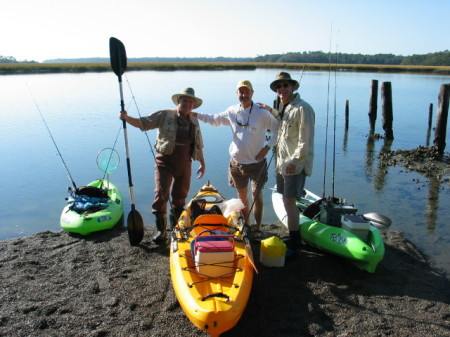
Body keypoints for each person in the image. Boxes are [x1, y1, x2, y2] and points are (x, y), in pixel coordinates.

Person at [119, 87, 206, 243]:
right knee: (161, 193)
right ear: (179, 101)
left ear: (193, 104)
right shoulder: (164, 115)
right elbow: (143, 123)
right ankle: (161, 231)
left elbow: (198, 144)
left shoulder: (194, 120)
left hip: (185, 163)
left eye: (190, 101)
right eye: (184, 100)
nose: (187, 103)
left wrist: (202, 162)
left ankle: (175, 230)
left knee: (180, 197)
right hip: (164, 162)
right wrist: (127, 118)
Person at [194, 80, 279, 232]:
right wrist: (196, 114)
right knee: (242, 197)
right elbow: (214, 120)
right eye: (241, 92)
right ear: (237, 94)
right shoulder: (232, 111)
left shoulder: (262, 113)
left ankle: (257, 228)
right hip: (236, 163)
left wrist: (266, 148)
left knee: (256, 195)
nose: (244, 95)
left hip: (256, 163)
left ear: (252, 93)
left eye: (247, 92)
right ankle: (246, 226)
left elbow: (278, 130)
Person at [260, 72, 315, 258]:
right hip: (281, 163)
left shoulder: (303, 108)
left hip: (293, 165)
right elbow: (282, 122)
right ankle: (293, 236)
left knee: (290, 202)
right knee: (285, 200)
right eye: (278, 87)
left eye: (285, 85)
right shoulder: (285, 108)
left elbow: (305, 140)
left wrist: (295, 160)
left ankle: (295, 242)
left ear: (293, 87)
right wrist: (269, 110)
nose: (281, 89)